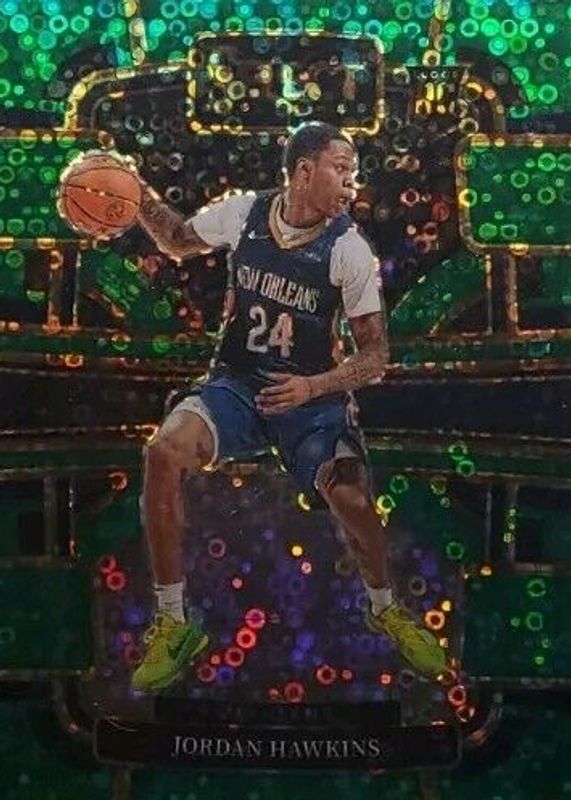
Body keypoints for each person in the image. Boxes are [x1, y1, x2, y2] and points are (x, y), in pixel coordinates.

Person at [96, 122, 448, 691]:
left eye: (355, 172)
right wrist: (137, 193)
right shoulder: (245, 214)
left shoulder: (350, 249)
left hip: (311, 399)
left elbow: (376, 357)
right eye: (341, 169)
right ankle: (174, 622)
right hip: (237, 385)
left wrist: (312, 387)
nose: (351, 183)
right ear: (304, 170)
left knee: (354, 501)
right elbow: (178, 240)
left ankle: (385, 608)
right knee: (163, 451)